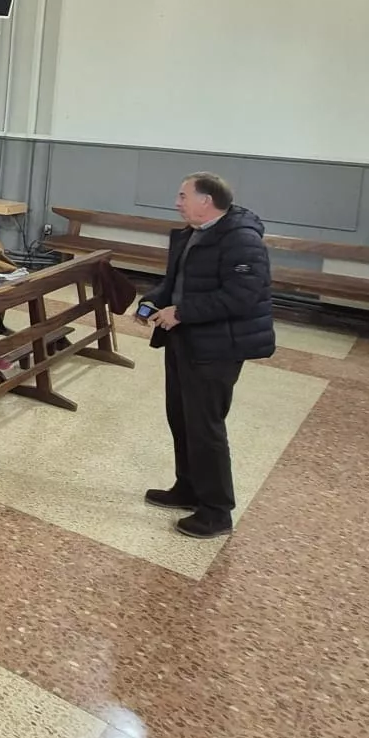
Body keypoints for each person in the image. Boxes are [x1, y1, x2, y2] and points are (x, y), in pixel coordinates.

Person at [138, 173, 275, 539]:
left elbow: (240, 296)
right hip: (185, 341)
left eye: (183, 195)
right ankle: (188, 488)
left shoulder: (241, 240)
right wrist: (152, 300)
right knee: (181, 419)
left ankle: (216, 511)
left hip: (218, 346)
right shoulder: (192, 233)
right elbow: (177, 283)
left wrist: (180, 313)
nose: (177, 202)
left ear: (206, 200)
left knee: (206, 426)